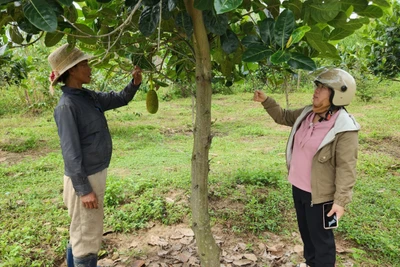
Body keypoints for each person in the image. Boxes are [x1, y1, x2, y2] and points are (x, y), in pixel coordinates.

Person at [253, 68, 360, 267]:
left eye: (323, 88)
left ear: (338, 94)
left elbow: (347, 167)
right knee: (307, 236)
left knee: (322, 242)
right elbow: (283, 116)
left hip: (320, 196)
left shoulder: (345, 127)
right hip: (299, 188)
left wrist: (341, 201)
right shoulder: (307, 113)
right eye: (317, 86)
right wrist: (267, 100)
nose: (316, 91)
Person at [48, 43, 143, 267]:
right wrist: (84, 191)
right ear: (72, 70)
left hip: (93, 173)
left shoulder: (87, 97)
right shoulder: (67, 106)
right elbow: (70, 153)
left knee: (80, 233)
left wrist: (135, 84)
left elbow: (119, 98)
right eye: (85, 64)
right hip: (84, 179)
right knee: (87, 239)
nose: (90, 68)